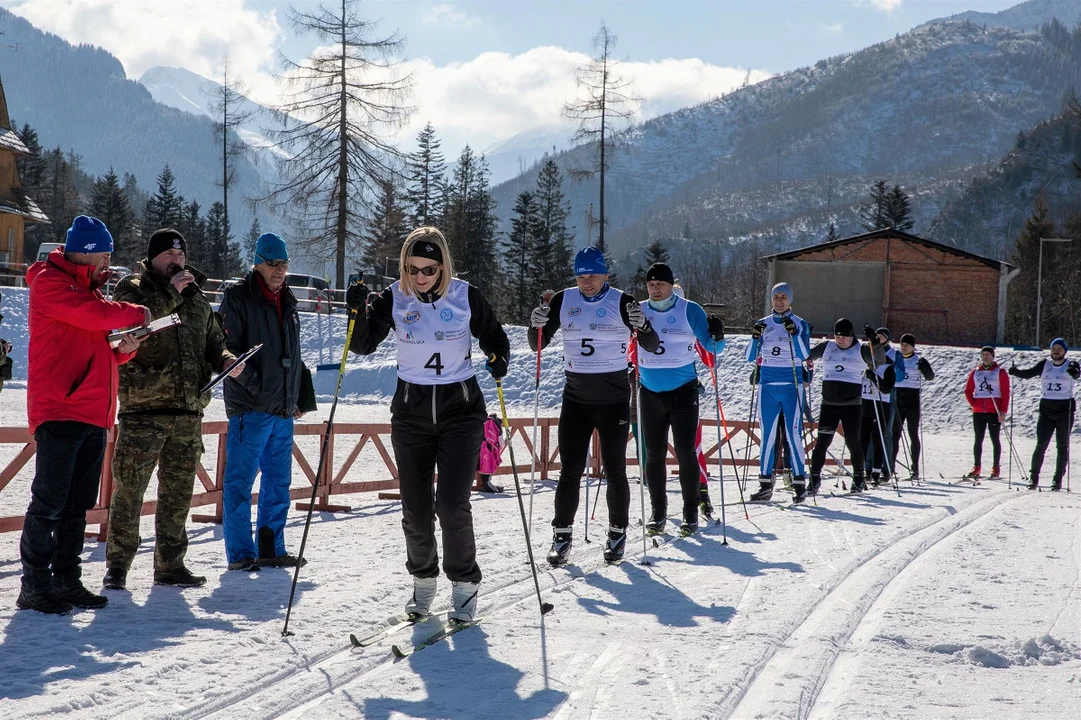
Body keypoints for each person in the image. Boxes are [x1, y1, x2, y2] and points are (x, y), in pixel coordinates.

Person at [346, 226, 509, 624]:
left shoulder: (464, 294)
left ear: (443, 267)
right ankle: (423, 581)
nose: (420, 277)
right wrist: (355, 311)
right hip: (412, 412)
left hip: (461, 410)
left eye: (429, 269)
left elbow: (494, 335)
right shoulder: (394, 297)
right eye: (413, 268)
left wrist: (497, 357)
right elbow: (364, 344)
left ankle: (465, 585)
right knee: (416, 510)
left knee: (452, 505)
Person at [18, 216, 149, 614]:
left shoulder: (87, 291)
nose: (109, 264)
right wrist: (134, 312)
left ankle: (67, 580)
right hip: (61, 409)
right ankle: (35, 585)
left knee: (77, 505)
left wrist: (126, 348)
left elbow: (101, 347)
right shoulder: (51, 283)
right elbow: (94, 317)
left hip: (93, 412)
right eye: (106, 256)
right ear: (88, 254)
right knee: (49, 502)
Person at [103, 228, 243, 591]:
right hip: (143, 411)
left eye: (180, 256)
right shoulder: (132, 289)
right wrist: (172, 291)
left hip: (188, 411)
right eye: (168, 255)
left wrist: (227, 360)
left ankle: (170, 564)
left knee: (178, 493)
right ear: (153, 259)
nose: (176, 261)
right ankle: (117, 565)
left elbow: (214, 341)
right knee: (129, 491)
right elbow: (133, 323)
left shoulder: (196, 298)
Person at [529, 247, 658, 566]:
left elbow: (652, 345)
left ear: (605, 275)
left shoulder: (623, 300)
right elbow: (538, 344)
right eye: (581, 276)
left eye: (593, 275)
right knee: (569, 470)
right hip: (575, 399)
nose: (586, 282)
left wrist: (643, 326)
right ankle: (561, 536)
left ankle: (617, 534)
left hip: (613, 400)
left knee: (614, 470)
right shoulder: (563, 300)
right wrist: (536, 325)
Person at [218, 232, 307, 572]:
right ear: (257, 262)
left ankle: (271, 548)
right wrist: (250, 381)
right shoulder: (238, 298)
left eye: (283, 264)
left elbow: (295, 356)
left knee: (278, 484)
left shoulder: (289, 301)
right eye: (272, 264)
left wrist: (296, 396)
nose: (279, 271)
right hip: (250, 408)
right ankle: (241, 553)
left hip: (282, 410)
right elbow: (226, 351)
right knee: (240, 483)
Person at [637, 262, 724, 535]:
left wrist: (717, 334)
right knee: (653, 455)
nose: (655, 290)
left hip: (683, 392)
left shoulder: (689, 309)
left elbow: (712, 347)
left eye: (660, 285)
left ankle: (690, 513)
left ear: (669, 284)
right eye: (650, 285)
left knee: (686, 452)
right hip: (649, 391)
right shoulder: (638, 310)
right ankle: (658, 513)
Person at [807, 318, 893, 495]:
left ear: (852, 335)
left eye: (844, 337)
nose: (840, 340)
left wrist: (875, 343)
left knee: (853, 443)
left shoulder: (861, 349)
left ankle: (859, 479)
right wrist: (802, 336)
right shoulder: (826, 347)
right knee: (822, 443)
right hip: (829, 404)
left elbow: (880, 360)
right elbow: (805, 356)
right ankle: (814, 480)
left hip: (851, 405)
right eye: (838, 336)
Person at [746, 282, 811, 502]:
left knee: (793, 435)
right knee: (767, 436)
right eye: (776, 297)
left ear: (790, 299)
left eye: (784, 297)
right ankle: (765, 484)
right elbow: (749, 356)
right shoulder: (763, 324)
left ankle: (800, 483)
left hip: (791, 385)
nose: (780, 301)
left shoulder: (800, 323)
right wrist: (755, 338)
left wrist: (794, 335)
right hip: (768, 386)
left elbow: (804, 354)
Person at [1008, 338, 1078, 491]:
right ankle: (1033, 478)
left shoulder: (1071, 364)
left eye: (1059, 348)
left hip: (1064, 409)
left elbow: (1077, 374)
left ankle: (1057, 480)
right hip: (1046, 408)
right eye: (1054, 348)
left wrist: (1075, 373)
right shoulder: (1044, 365)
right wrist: (1016, 372)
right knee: (1041, 444)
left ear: (1065, 351)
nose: (1056, 351)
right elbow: (1029, 373)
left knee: (1062, 445)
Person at [963, 346, 1010, 480]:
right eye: (983, 355)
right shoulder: (975, 372)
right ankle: (976, 466)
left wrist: (1003, 411)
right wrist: (974, 404)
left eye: (988, 355)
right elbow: (968, 390)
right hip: (978, 412)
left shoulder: (1000, 372)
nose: (985, 357)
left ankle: (996, 467)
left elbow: (1005, 393)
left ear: (993, 356)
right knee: (978, 439)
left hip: (993, 411)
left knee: (995, 439)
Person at [892, 333, 934, 480]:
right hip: (898, 397)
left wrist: (926, 369)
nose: (904, 347)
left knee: (912, 433)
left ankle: (914, 469)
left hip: (912, 399)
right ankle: (890, 467)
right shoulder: (896, 358)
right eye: (902, 344)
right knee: (894, 434)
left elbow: (930, 377)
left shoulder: (918, 360)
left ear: (913, 346)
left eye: (907, 345)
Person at [477, 414, 505, 494]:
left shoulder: (483, 422)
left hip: (479, 447)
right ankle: (487, 484)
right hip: (490, 449)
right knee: (490, 464)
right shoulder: (497, 426)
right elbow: (501, 443)